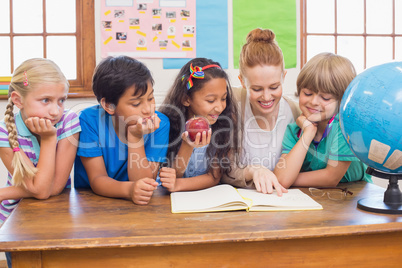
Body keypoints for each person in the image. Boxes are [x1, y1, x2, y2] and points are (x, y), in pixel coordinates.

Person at [0, 58, 81, 267]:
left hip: (58, 215)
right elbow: (40, 189)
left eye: (61, 100)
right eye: (45, 100)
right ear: (18, 100)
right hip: (16, 220)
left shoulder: (68, 121)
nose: (55, 111)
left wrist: (5, 192)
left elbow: (51, 188)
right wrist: (49, 139)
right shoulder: (5, 132)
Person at [74, 56, 170, 205]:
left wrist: (135, 137)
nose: (148, 109)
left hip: (135, 204)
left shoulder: (160, 123)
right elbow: (97, 179)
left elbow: (145, 182)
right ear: (108, 106)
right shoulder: (89, 120)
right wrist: (129, 190)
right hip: (93, 202)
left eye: (150, 98)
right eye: (136, 103)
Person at [274, 52, 372, 188]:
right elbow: (282, 179)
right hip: (316, 198)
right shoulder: (294, 130)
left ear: (341, 100)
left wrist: (289, 178)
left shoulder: (345, 128)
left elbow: (330, 178)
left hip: (354, 198)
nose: (314, 101)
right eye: (307, 93)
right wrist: (308, 133)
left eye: (325, 98)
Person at [221, 28, 300, 195]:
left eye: (274, 87)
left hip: (281, 201)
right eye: (256, 89)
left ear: (283, 77)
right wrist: (253, 170)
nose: (266, 97)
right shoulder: (233, 104)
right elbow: (224, 171)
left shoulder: (295, 112)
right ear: (242, 81)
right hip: (242, 204)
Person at [158, 58, 240, 192]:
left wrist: (178, 185)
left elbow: (213, 177)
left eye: (224, 98)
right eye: (211, 100)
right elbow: (171, 176)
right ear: (186, 99)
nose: (219, 107)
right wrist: (187, 146)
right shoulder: (166, 126)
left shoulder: (223, 126)